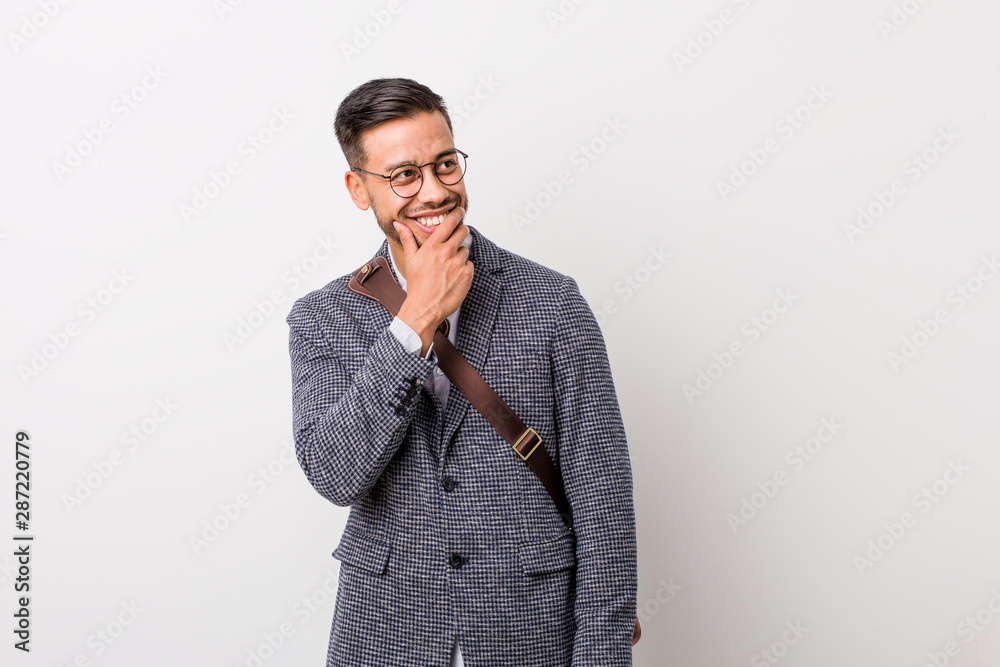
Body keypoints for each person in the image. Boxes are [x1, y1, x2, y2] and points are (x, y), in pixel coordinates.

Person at [285, 77, 636, 667]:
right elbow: (334, 474)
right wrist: (415, 320)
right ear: (358, 189)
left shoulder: (551, 301)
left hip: (531, 633)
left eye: (445, 165)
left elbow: (604, 502)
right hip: (384, 637)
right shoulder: (322, 317)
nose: (433, 191)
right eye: (403, 175)